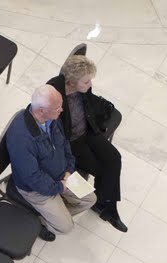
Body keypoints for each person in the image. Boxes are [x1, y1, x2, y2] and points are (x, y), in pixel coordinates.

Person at [4, 86, 95, 240]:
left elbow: (64, 144)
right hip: (37, 189)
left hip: (62, 175)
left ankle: (57, 211)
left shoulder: (50, 118)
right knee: (66, 227)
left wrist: (68, 169)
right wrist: (59, 187)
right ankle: (40, 222)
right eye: (57, 107)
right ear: (41, 110)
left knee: (90, 199)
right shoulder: (22, 139)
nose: (61, 110)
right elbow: (33, 178)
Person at [49, 54, 126, 232]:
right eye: (86, 82)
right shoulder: (55, 95)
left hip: (88, 131)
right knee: (102, 170)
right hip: (72, 143)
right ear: (72, 81)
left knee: (114, 158)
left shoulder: (81, 89)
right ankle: (105, 205)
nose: (90, 85)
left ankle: (107, 205)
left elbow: (89, 105)